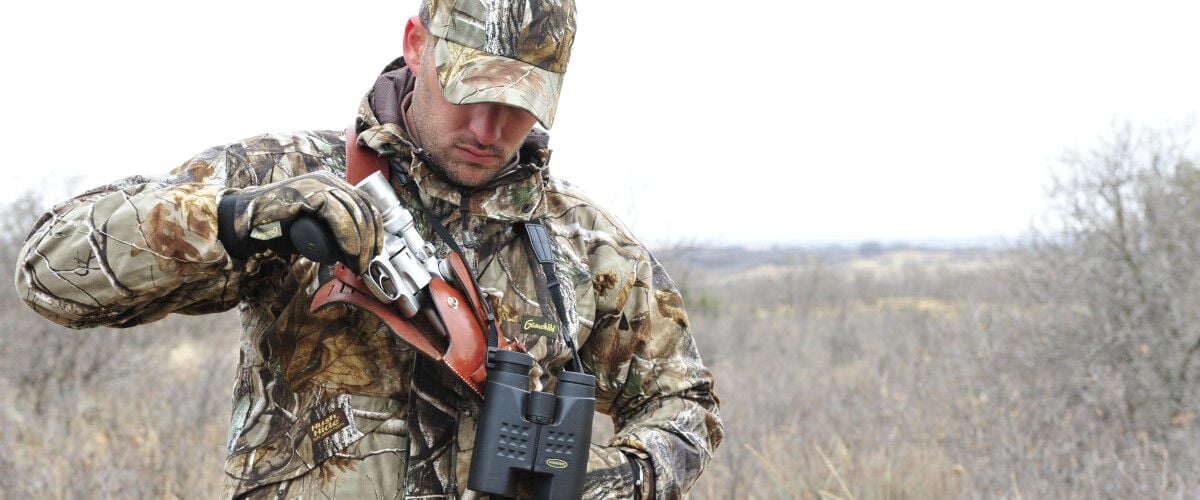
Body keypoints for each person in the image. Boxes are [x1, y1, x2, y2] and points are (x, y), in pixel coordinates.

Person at [14, 1, 723, 498]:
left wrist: (626, 476)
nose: (486, 124)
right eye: (468, 87)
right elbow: (51, 272)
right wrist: (239, 219)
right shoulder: (292, 176)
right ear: (417, 43)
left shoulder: (582, 242)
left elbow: (686, 402)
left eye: (519, 101)